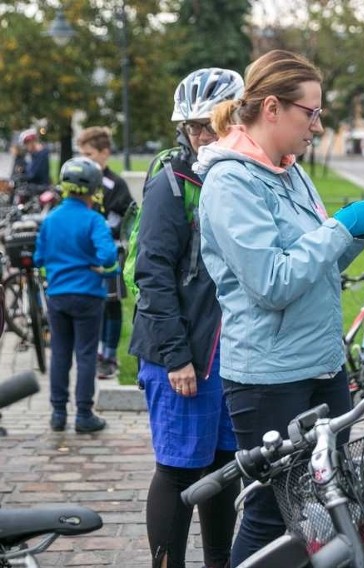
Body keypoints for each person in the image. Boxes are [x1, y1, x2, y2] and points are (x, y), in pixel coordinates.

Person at [194, 49, 364, 564]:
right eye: (312, 113)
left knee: (330, 503)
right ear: (274, 109)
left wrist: (354, 234)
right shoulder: (229, 181)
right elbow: (273, 282)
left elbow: (315, 265)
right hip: (269, 377)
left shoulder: (289, 170)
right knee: (271, 512)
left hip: (320, 363)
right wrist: (339, 227)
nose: (318, 126)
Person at [128, 68, 245, 568]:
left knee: (223, 467)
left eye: (214, 123)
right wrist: (177, 357)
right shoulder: (171, 184)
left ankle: (219, 561)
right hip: (180, 353)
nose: (204, 136)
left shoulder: (239, 177)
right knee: (178, 470)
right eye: (195, 126)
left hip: (228, 354)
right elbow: (152, 276)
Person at [34, 157, 117, 433]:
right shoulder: (94, 219)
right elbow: (107, 256)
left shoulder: (51, 218)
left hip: (57, 296)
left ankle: (58, 414)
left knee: (59, 354)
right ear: (93, 190)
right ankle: (83, 415)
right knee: (85, 355)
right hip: (88, 296)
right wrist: (101, 269)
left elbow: (39, 257)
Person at [75, 126, 134, 380]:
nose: (84, 159)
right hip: (87, 256)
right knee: (94, 305)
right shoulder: (80, 183)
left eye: (89, 154)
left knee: (111, 305)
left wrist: (108, 232)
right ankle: (96, 352)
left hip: (111, 253)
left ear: (104, 153)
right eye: (81, 154)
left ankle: (109, 356)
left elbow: (128, 217)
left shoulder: (115, 184)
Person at [16, 128, 51, 201]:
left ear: (32, 142)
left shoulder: (41, 154)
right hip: (33, 187)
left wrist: (21, 176)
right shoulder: (32, 155)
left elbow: (34, 174)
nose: (26, 147)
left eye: (26, 144)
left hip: (40, 188)